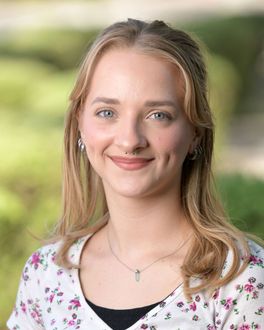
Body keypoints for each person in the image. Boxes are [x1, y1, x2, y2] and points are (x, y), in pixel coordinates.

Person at [7, 18, 264, 330]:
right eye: (107, 113)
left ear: (195, 133)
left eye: (158, 115)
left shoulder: (240, 280)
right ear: (79, 124)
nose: (129, 140)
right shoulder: (45, 276)